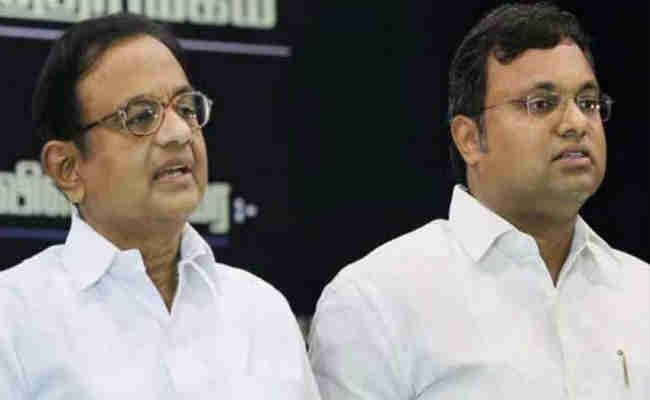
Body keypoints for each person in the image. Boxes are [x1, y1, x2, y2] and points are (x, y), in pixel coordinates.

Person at [309, 3, 649, 399]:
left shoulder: (639, 291)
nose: (576, 123)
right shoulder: (377, 300)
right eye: (541, 104)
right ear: (470, 139)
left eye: (587, 103)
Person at [0, 13, 319, 399]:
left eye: (185, 109)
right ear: (68, 168)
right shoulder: (14, 320)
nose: (179, 133)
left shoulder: (261, 311)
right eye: (141, 117)